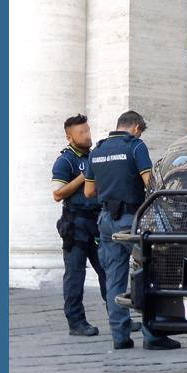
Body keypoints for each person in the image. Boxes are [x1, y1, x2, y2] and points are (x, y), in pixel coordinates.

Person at [85, 110, 181, 351]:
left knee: (114, 278)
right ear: (137, 127)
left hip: (106, 219)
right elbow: (149, 183)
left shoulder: (97, 150)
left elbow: (88, 192)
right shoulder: (135, 147)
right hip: (131, 219)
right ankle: (153, 335)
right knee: (150, 272)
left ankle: (120, 336)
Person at [51, 115, 108, 336]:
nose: (87, 136)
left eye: (88, 131)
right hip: (75, 222)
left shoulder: (94, 156)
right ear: (70, 137)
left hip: (96, 221)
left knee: (106, 271)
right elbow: (57, 194)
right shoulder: (65, 161)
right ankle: (76, 322)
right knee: (75, 274)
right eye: (81, 133)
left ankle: (117, 316)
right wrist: (83, 177)